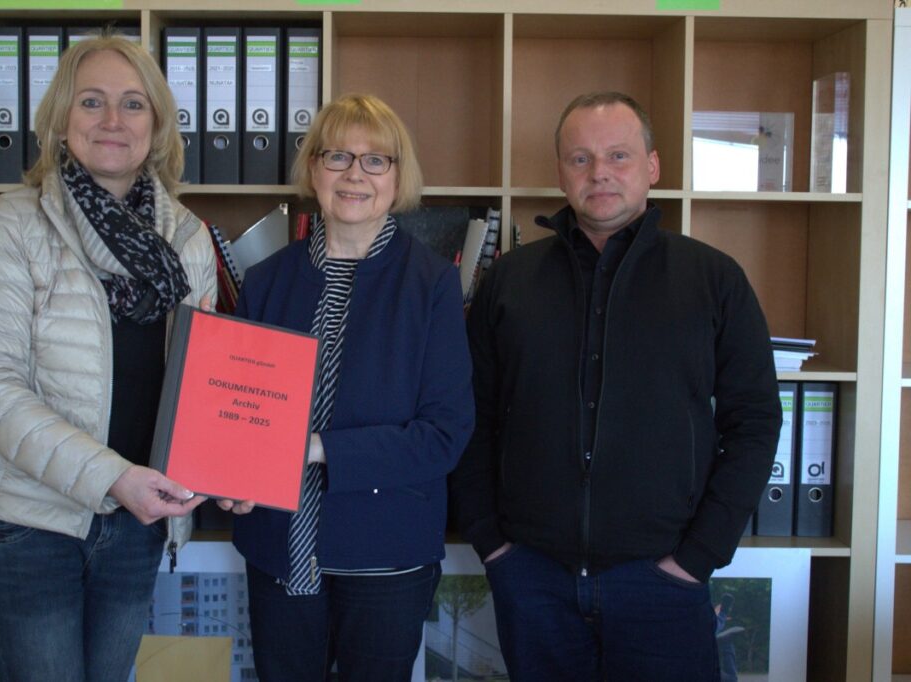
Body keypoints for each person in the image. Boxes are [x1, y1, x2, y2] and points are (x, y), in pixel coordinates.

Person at [449, 91, 782, 681]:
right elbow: (469, 415)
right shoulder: (509, 281)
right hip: (534, 579)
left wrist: (698, 557)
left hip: (663, 582)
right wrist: (493, 544)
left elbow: (754, 422)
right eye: (580, 158)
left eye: (618, 155)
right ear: (561, 172)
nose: (599, 171)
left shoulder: (714, 279)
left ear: (652, 166)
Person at [0, 34, 249, 682]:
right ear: (60, 118)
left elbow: (203, 384)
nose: (113, 120)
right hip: (27, 524)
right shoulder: (11, 224)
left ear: (157, 124)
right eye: (92, 101)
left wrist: (230, 465)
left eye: (133, 104)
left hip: (137, 525)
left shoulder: (187, 238)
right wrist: (111, 477)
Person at [226, 93, 475, 682]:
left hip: (386, 557)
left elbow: (444, 435)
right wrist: (231, 477)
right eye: (337, 156)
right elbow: (237, 411)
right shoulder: (265, 281)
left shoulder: (433, 285)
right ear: (313, 169)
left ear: (397, 178)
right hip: (279, 549)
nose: (355, 174)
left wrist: (316, 449)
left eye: (375, 160)